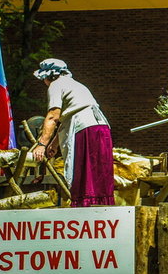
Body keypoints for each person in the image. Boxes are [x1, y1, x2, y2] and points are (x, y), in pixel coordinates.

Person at [32, 59, 114, 207]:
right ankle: (102, 209)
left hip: (85, 131)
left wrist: (41, 144)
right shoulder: (76, 85)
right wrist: (54, 144)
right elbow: (68, 117)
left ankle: (85, 209)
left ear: (48, 76)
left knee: (84, 175)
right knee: (99, 175)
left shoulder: (56, 85)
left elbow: (53, 116)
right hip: (100, 128)